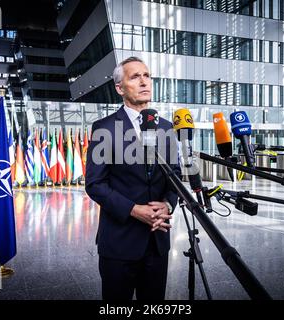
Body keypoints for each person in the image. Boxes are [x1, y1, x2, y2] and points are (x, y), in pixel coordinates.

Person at [85, 56, 181, 300]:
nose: (144, 81)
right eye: (135, 76)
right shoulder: (104, 128)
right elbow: (95, 184)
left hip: (157, 241)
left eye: (147, 76)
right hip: (119, 242)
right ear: (120, 88)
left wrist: (168, 204)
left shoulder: (166, 127)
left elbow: (175, 176)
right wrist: (133, 210)